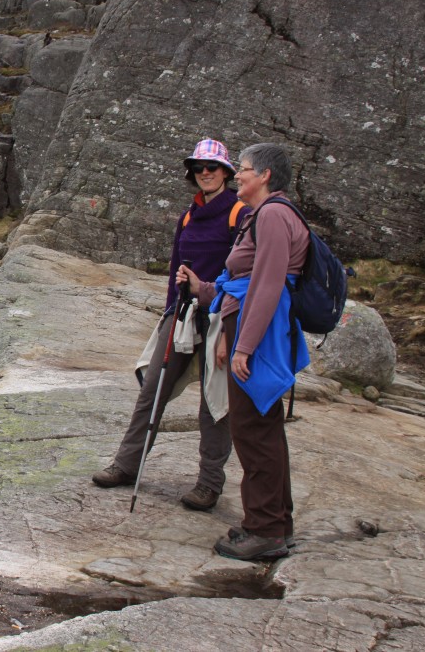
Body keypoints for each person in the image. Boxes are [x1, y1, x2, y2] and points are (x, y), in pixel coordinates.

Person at [92, 138, 250, 513]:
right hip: (183, 314)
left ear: (227, 172)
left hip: (220, 317)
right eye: (199, 168)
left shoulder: (240, 214)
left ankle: (209, 485)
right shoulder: (188, 216)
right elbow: (174, 269)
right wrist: (169, 312)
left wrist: (230, 323)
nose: (206, 173)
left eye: (212, 167)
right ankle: (127, 465)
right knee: (153, 389)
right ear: (192, 174)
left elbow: (246, 274)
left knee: (214, 402)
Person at [178, 143, 310, 561]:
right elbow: (248, 280)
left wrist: (244, 347)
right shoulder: (270, 214)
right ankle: (275, 523)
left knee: (253, 430)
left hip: (260, 330)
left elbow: (266, 285)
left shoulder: (272, 215)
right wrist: (203, 290)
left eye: (246, 170)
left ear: (266, 176)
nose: (238, 176)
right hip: (256, 323)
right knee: (264, 426)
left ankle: (265, 530)